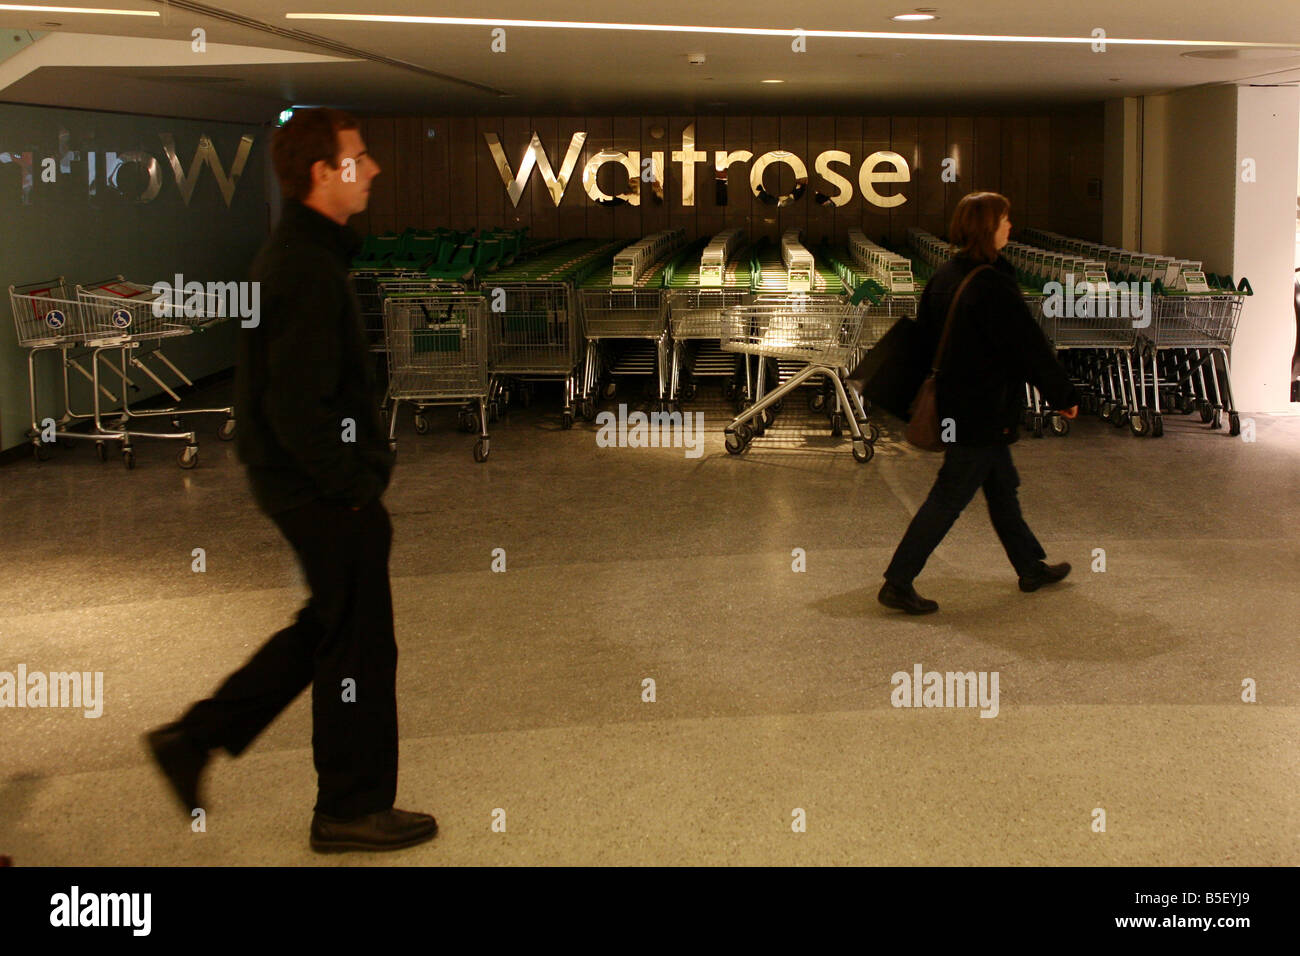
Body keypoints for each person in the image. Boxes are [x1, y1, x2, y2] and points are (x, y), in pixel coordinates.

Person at [146, 108, 438, 852]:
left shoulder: (307, 256)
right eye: (359, 157)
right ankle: (348, 807)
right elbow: (296, 403)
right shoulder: (302, 267)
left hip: (308, 484)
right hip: (319, 490)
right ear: (322, 173)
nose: (371, 169)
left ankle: (197, 736)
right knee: (359, 648)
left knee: (329, 628)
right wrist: (352, 483)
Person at [879, 191, 1080, 615]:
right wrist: (1062, 395)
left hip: (960, 405)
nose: (1011, 227)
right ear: (988, 227)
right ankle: (898, 580)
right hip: (981, 411)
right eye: (1005, 220)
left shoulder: (947, 274)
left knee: (1002, 488)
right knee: (950, 496)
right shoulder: (991, 283)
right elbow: (1028, 347)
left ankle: (1030, 566)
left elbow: (928, 336)